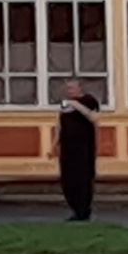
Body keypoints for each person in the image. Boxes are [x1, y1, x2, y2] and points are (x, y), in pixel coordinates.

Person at [54, 80, 102, 222]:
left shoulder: (89, 101)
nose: (69, 90)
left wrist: (76, 105)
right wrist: (54, 143)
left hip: (83, 147)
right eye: (67, 88)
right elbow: (59, 124)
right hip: (67, 147)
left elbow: (93, 118)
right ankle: (74, 208)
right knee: (68, 178)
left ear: (79, 88)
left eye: (72, 88)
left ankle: (83, 211)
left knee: (82, 178)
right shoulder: (65, 105)